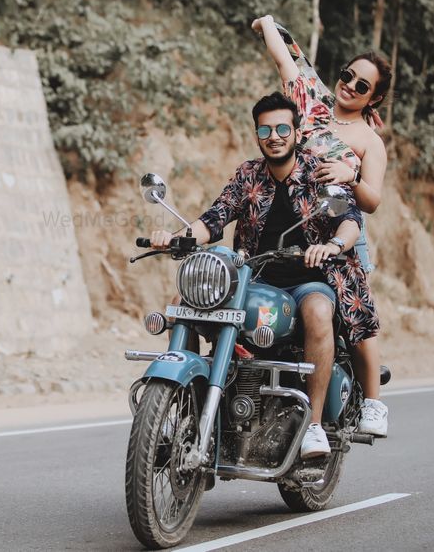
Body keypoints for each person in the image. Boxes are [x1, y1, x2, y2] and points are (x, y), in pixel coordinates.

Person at [149, 92, 380, 459]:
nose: (274, 136)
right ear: (257, 133)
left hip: (308, 279)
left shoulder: (319, 170)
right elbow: (215, 218)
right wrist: (175, 237)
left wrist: (333, 245)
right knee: (184, 303)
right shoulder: (248, 174)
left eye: (282, 128)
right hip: (253, 278)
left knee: (319, 311)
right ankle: (186, 407)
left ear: (297, 130)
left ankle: (315, 426)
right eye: (266, 129)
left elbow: (350, 219)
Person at [251, 14, 390, 438]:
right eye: (348, 75)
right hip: (292, 220)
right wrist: (267, 24)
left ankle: (374, 402)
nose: (350, 85)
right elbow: (284, 63)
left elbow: (372, 200)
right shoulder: (313, 103)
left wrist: (350, 177)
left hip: (343, 227)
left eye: (362, 85)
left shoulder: (369, 140)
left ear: (374, 98)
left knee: (355, 313)